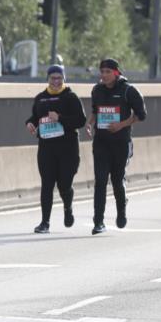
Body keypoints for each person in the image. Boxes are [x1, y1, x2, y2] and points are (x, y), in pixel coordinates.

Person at [85, 58, 147, 235]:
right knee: (100, 181)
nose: (104, 75)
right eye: (102, 72)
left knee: (117, 181)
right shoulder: (97, 90)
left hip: (121, 142)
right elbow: (96, 111)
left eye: (108, 72)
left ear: (116, 73)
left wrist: (121, 125)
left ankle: (121, 210)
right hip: (101, 142)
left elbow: (141, 115)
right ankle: (98, 222)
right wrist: (90, 123)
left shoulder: (128, 90)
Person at [25, 64, 86, 233]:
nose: (56, 82)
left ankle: (68, 207)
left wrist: (60, 118)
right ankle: (45, 222)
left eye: (59, 78)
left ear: (64, 78)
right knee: (47, 184)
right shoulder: (40, 98)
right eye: (53, 78)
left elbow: (81, 120)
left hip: (68, 148)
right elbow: (35, 117)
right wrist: (30, 123)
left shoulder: (71, 97)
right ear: (48, 79)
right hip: (47, 148)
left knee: (64, 185)